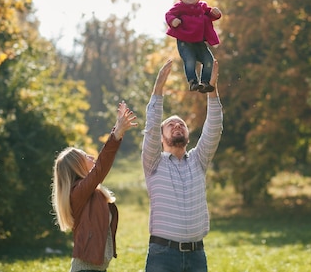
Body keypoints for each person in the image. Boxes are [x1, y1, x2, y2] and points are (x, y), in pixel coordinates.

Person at [142, 58, 223, 272]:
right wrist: (158, 89)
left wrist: (212, 90)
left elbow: (214, 129)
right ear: (162, 138)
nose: (177, 125)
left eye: (182, 124)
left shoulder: (199, 160)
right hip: (162, 256)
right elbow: (150, 130)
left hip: (197, 256)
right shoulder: (153, 163)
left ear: (188, 135)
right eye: (170, 124)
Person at [52, 101, 137, 272]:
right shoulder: (78, 193)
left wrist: (117, 129)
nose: (91, 156)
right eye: (85, 155)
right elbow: (100, 168)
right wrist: (117, 133)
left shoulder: (88, 193)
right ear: (77, 166)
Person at [165, 0, 222, 93]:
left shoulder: (202, 7)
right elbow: (169, 14)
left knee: (209, 60)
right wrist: (173, 21)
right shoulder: (179, 7)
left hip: (199, 41)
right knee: (189, 60)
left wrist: (215, 14)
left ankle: (205, 82)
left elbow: (210, 15)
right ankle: (193, 82)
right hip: (184, 41)